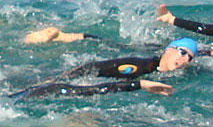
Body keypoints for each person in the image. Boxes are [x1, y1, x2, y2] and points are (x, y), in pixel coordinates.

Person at [9, 37, 198, 101]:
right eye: (182, 52)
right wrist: (138, 85)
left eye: (190, 57)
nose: (184, 59)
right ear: (168, 49)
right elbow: (60, 87)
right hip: (55, 79)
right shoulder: (139, 65)